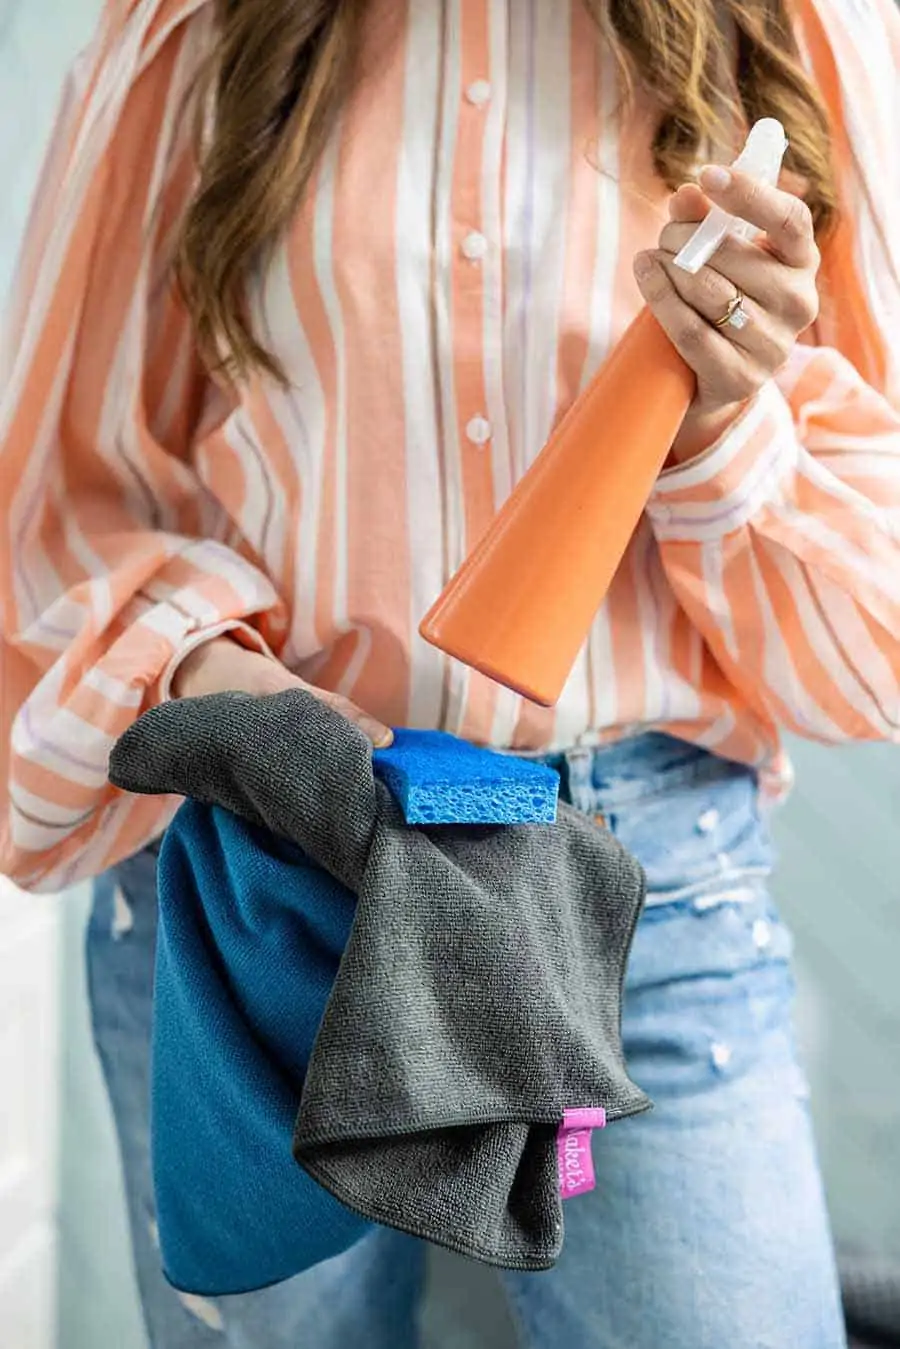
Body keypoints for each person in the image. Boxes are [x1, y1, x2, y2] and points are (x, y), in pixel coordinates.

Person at [1, 0, 898, 1344]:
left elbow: (865, 653)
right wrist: (244, 699)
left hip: (638, 905)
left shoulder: (799, 33)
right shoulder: (189, 35)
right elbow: (58, 519)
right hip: (273, 886)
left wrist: (723, 427)